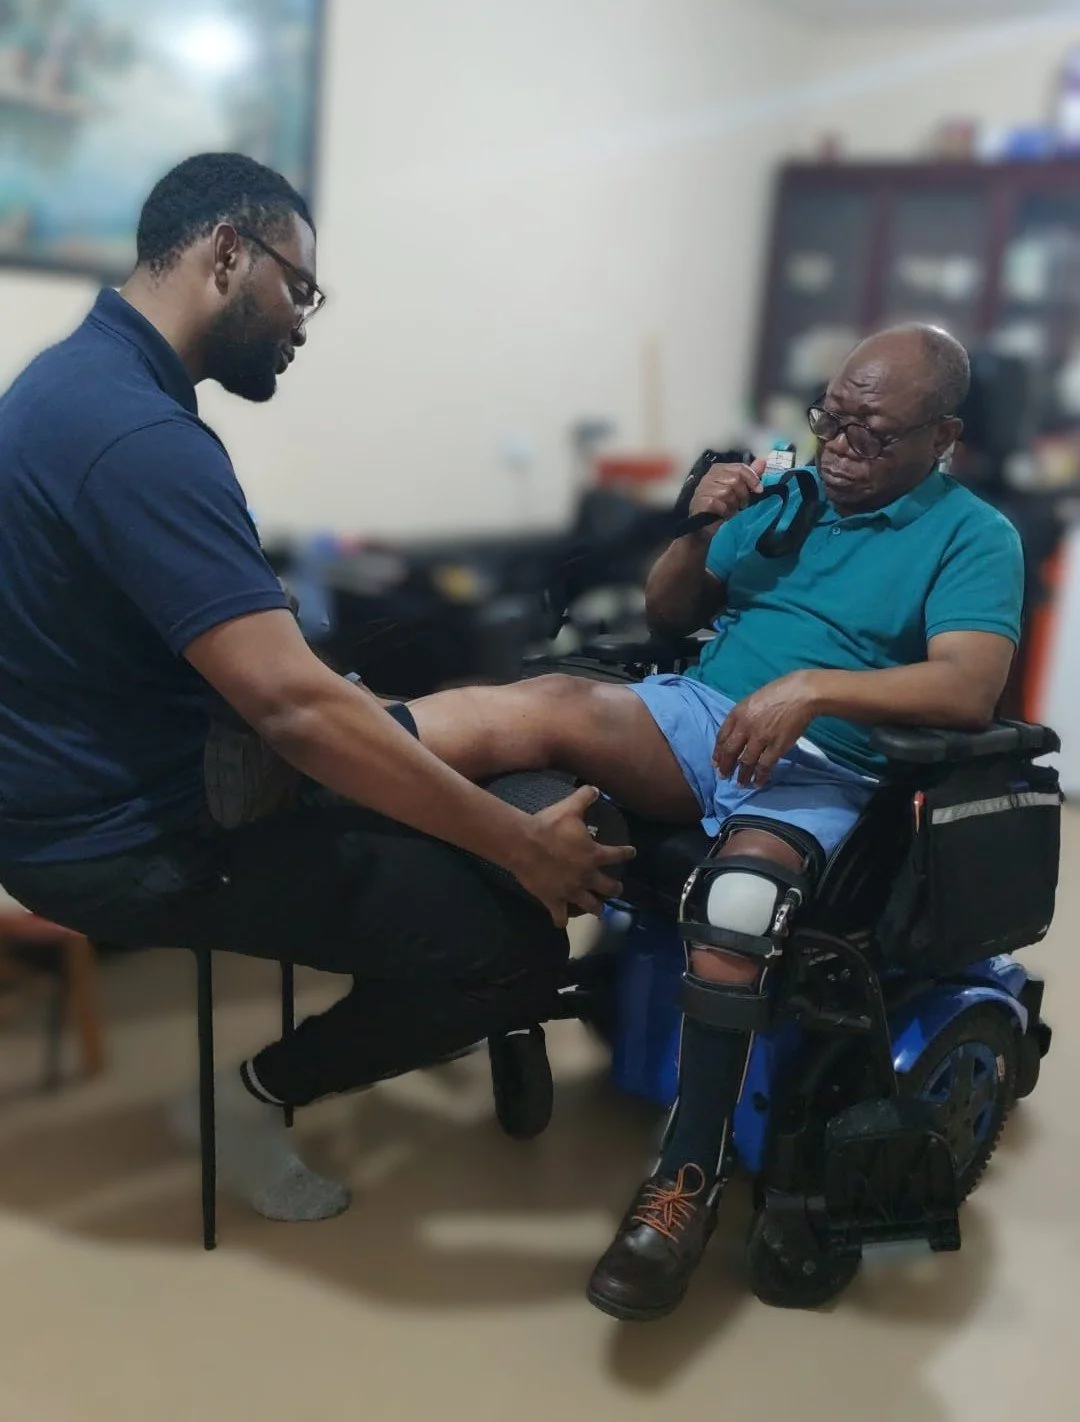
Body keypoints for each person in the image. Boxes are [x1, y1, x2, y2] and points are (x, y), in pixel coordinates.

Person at [0, 153, 632, 1223]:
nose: (303, 319)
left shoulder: (72, 385)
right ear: (228, 253)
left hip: (115, 782)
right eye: (301, 287)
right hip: (129, 838)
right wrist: (516, 847)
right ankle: (241, 1103)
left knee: (497, 719)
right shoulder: (141, 439)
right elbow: (292, 711)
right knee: (513, 949)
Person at [405, 323, 1025, 1318]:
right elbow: (666, 612)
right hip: (701, 717)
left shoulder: (973, 535)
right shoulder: (790, 493)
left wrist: (816, 690)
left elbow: (967, 684)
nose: (842, 446)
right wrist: (697, 527)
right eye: (833, 419)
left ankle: (683, 1186)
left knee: (740, 903)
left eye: (874, 432)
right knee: (552, 708)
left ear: (941, 435)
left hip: (828, 768)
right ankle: (330, 741)